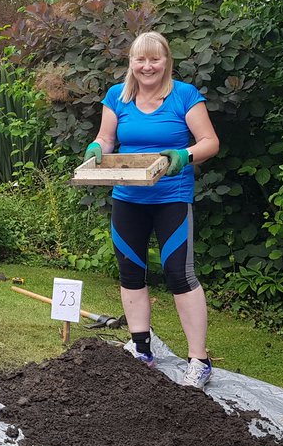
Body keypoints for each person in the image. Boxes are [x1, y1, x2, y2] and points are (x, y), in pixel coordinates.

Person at [85, 31, 220, 388]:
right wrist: (96, 148)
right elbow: (106, 139)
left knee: (180, 274)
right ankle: (141, 348)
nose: (147, 66)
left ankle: (199, 360)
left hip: (171, 198)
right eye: (140, 59)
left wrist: (184, 155)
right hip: (128, 199)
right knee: (131, 272)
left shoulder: (184, 96)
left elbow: (210, 142)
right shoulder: (117, 96)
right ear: (131, 62)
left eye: (154, 59)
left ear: (166, 62)